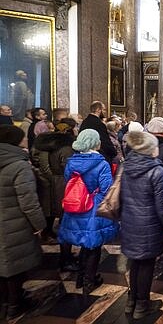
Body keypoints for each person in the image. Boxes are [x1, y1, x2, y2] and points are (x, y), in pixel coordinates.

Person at [120, 131, 163, 319]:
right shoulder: (157, 171)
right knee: (146, 264)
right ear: (150, 150)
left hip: (129, 222)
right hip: (149, 225)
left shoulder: (126, 166)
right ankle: (142, 305)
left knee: (135, 262)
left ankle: (131, 301)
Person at [58, 129, 119, 296]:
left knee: (83, 243)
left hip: (75, 206)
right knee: (93, 246)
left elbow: (68, 181)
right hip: (93, 207)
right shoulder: (101, 163)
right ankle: (89, 281)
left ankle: (80, 277)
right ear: (95, 142)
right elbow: (107, 187)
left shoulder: (72, 161)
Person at [0, 125, 46, 320]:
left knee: (3, 264)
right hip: (14, 223)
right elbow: (28, 202)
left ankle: (5, 301)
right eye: (23, 138)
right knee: (15, 266)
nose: (27, 140)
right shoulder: (19, 165)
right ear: (16, 142)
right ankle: (15, 304)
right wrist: (40, 224)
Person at [31, 118, 77, 251]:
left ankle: (49, 232)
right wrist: (52, 177)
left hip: (49, 180)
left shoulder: (46, 141)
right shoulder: (55, 144)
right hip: (53, 180)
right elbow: (48, 164)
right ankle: (48, 234)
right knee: (52, 209)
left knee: (50, 209)